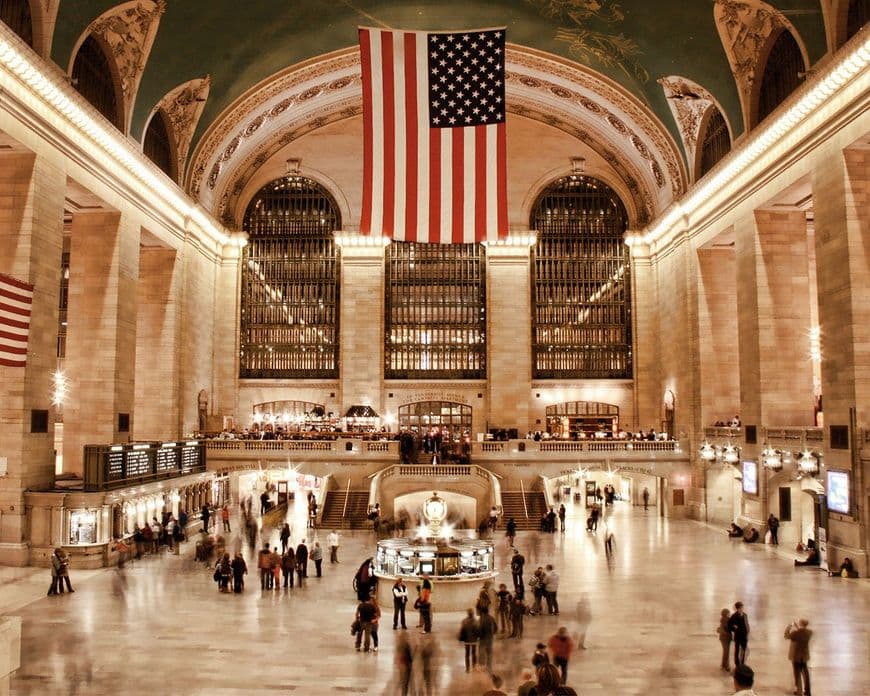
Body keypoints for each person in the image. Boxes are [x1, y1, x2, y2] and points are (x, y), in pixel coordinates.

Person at [784, 619, 812, 696]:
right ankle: (807, 691)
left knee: (797, 674)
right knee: (806, 674)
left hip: (796, 657)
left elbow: (786, 636)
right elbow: (801, 633)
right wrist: (797, 627)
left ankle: (799, 692)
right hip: (805, 656)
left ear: (800, 624)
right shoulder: (809, 632)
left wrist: (790, 625)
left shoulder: (795, 634)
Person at [727, 601, 750, 666]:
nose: (742, 609)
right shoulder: (734, 616)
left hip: (744, 636)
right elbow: (729, 625)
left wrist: (748, 631)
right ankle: (737, 664)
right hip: (738, 636)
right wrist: (734, 629)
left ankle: (742, 663)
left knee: (744, 650)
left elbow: (747, 624)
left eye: (742, 607)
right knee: (737, 651)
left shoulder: (745, 615)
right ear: (737, 608)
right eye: (740, 607)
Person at [458, 608, 479, 672]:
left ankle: (467, 668)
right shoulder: (476, 621)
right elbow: (478, 631)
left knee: (467, 654)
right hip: (474, 641)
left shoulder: (464, 621)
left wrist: (460, 638)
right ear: (473, 614)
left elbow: (461, 630)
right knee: (474, 654)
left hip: (466, 641)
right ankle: (474, 667)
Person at [478, 606, 497, 672]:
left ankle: (481, 667)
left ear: (482, 612)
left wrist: (479, 636)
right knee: (489, 653)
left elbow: (479, 629)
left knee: (481, 653)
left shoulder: (481, 619)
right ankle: (489, 667)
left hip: (483, 639)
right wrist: (493, 633)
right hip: (490, 638)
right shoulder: (491, 618)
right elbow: (495, 628)